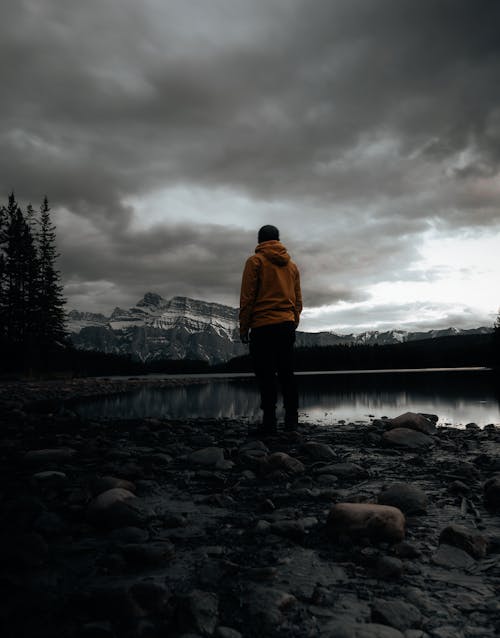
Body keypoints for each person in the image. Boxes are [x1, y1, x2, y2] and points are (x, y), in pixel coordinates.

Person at [239, 225, 302, 434]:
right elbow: (298, 300)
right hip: (286, 325)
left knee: (266, 374)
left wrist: (244, 327)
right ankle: (292, 420)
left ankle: (269, 421)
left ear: (259, 241)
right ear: (278, 240)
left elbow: (247, 297)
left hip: (263, 326)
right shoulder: (291, 266)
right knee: (287, 373)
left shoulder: (255, 261)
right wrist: (293, 321)